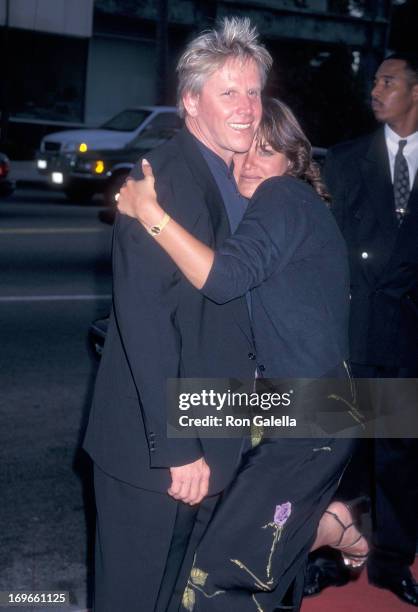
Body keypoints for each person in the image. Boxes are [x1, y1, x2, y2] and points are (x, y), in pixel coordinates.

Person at [117, 97, 368, 611]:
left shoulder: (283, 197)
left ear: (292, 162)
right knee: (175, 419)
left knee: (221, 575)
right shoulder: (282, 215)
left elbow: (223, 278)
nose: (250, 163)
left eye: (267, 152)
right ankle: (324, 522)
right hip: (300, 403)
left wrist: (150, 214)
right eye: (244, 152)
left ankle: (327, 524)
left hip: (312, 416)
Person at [83, 17, 274, 612]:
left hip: (214, 428)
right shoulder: (161, 178)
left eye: (253, 91)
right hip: (160, 453)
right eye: (229, 92)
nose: (247, 108)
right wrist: (176, 447)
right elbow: (143, 320)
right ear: (190, 101)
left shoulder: (229, 176)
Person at [305, 52, 418, 606]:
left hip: (406, 333)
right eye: (374, 79)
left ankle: (392, 561)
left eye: (389, 81)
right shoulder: (346, 161)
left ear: (416, 92)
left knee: (398, 456)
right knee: (338, 450)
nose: (375, 89)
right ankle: (330, 556)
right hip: (348, 330)